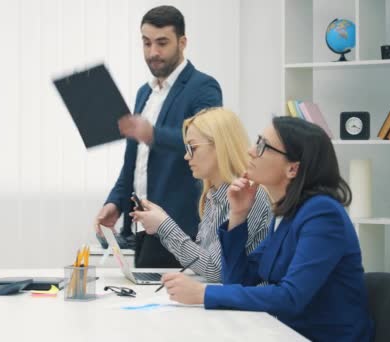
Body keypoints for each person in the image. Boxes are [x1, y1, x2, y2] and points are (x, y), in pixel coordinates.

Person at [161, 117, 374, 341]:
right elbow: (237, 280)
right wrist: (238, 215)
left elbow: (290, 297)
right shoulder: (287, 213)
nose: (251, 151)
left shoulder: (322, 214)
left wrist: (203, 293)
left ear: (293, 169)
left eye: (263, 146)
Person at [94, 5, 223, 268]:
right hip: (142, 230)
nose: (153, 52)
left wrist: (152, 134)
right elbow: (134, 163)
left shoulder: (203, 87)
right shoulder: (144, 93)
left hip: (182, 229)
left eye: (162, 43)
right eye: (147, 43)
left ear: (183, 42)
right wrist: (115, 202)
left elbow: (207, 145)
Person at [130, 108, 271, 281]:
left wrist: (164, 225)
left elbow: (215, 269)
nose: (186, 156)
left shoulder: (249, 195)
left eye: (192, 147)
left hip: (249, 305)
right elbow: (202, 263)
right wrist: (160, 225)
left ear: (220, 146)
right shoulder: (214, 197)